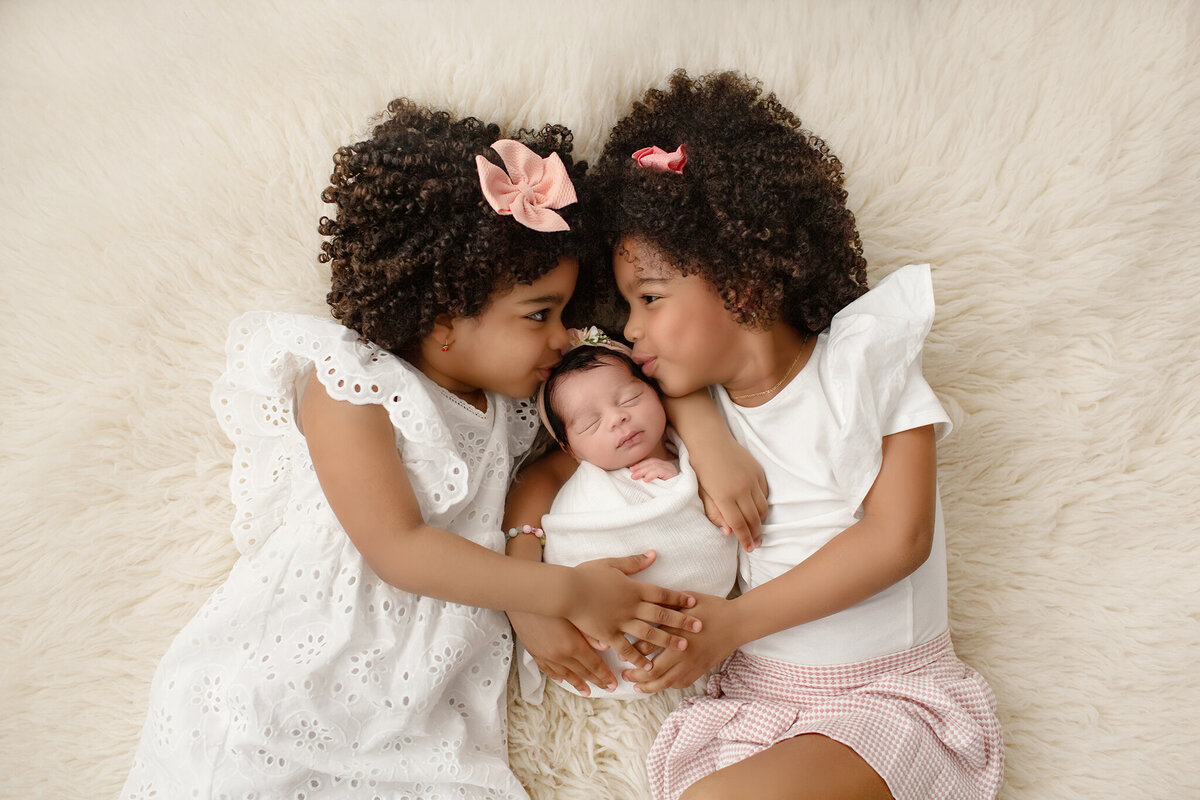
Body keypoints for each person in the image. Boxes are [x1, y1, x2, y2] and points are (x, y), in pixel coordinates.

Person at [119, 100, 703, 799]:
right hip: (289, 680)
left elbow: (637, 390)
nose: (562, 336)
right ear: (442, 318)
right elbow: (398, 548)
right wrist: (565, 591)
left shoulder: (522, 402)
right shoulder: (353, 384)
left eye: (567, 314)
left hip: (426, 705)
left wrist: (713, 448)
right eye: (540, 315)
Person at [588, 71, 1005, 800]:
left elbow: (898, 539)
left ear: (747, 278)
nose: (632, 327)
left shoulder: (864, 369)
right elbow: (585, 389)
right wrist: (706, 433)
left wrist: (735, 624)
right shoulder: (683, 397)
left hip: (887, 701)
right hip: (762, 707)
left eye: (650, 298)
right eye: (627, 305)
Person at [512, 327, 738, 702]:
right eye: (590, 423)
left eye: (630, 398)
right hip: (587, 632)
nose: (617, 418)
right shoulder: (584, 483)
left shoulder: (690, 449)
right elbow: (563, 546)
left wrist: (682, 480)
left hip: (702, 621)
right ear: (571, 450)